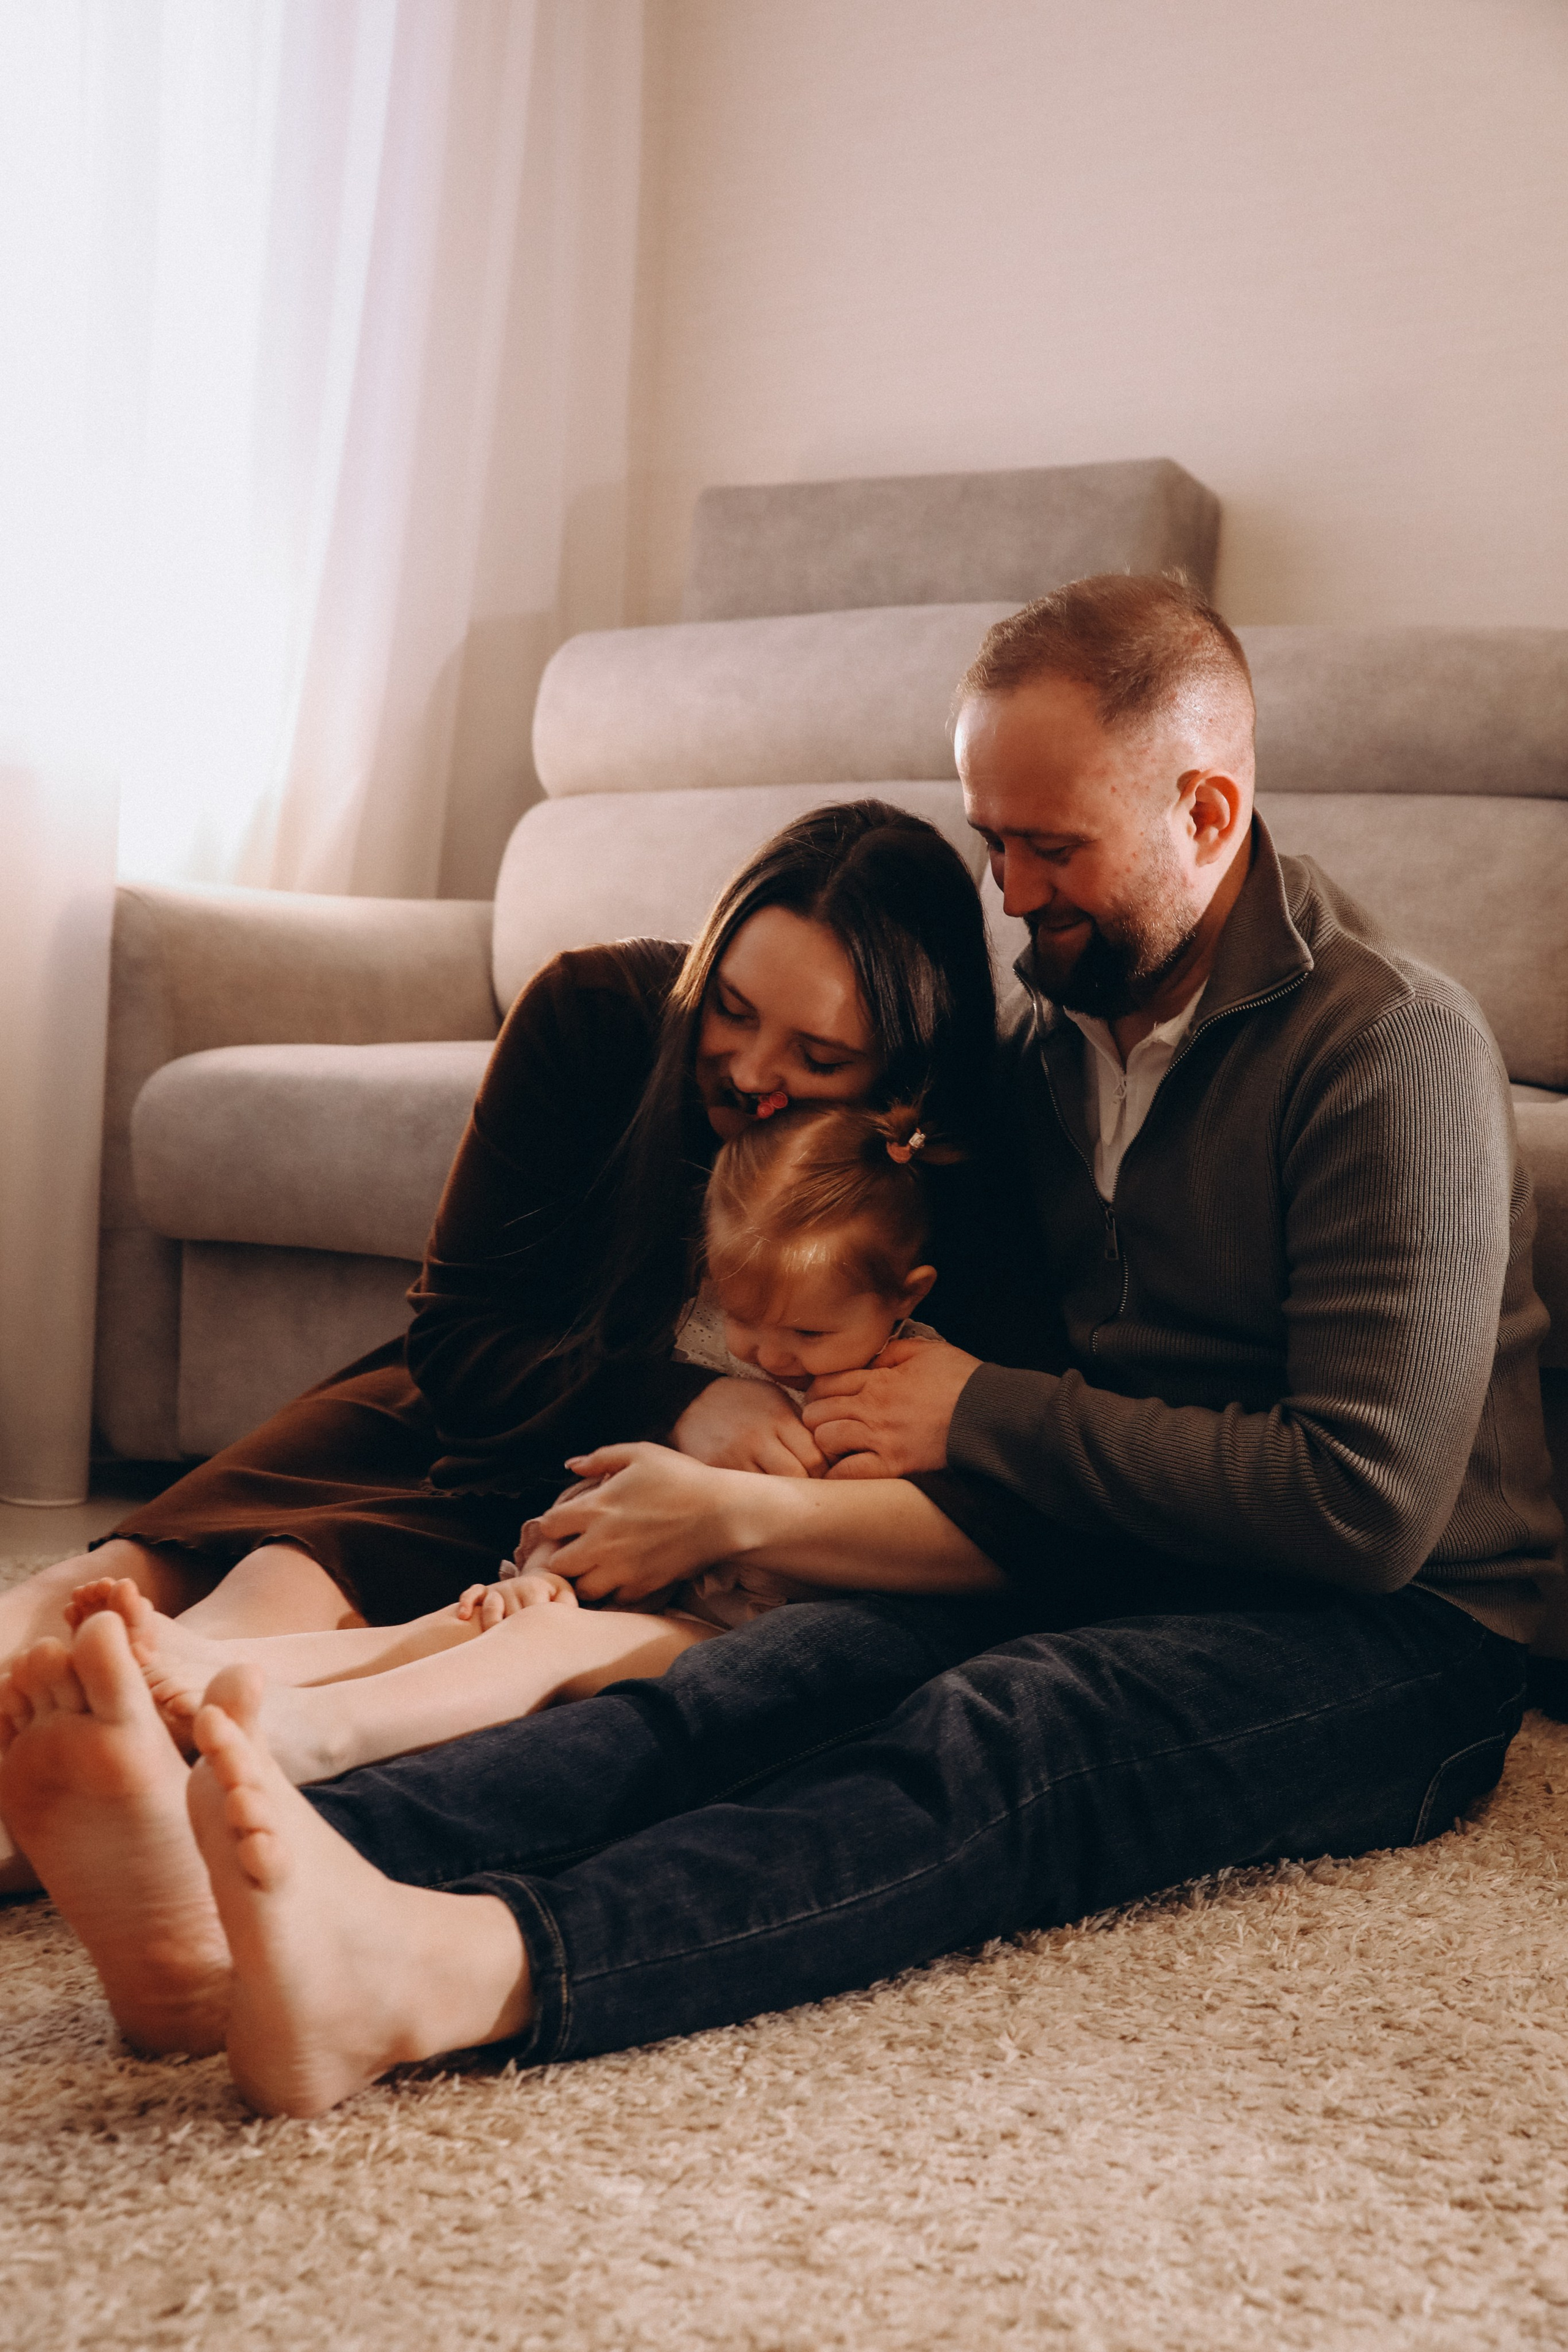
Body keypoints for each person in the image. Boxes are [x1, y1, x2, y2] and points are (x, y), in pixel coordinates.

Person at [2, 571, 1558, 2122]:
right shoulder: (1036, 1051)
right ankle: (270, 1867)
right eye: (989, 839)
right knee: (777, 1671)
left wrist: (982, 1414)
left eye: (1051, 847)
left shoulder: (1384, 1048)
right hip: (1132, 1545)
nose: (1010, 892)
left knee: (998, 1736)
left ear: (1206, 812)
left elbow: (1361, 1507)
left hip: (1403, 1631)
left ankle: (455, 1967)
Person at [0, 797, 1023, 1885]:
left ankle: (78, 1813)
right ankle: (66, 1685)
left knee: (278, 1601)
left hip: (596, 1509)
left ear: (904, 1079)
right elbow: (461, 1337)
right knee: (121, 1580)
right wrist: (682, 1403)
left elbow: (983, 1479)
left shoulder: (947, 1167)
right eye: (730, 1008)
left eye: (817, 1056)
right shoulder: (596, 1013)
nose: (749, 1071)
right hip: (499, 1391)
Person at [64, 1102, 989, 1784]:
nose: (768, 1354)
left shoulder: (899, 1404)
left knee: (527, 1652)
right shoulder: (719, 1360)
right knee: (465, 1622)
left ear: (907, 1296)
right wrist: (543, 1560)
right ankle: (231, 1669)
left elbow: (877, 1564)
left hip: (754, 1638)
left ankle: (306, 1734)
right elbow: (609, 1489)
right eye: (741, 1317)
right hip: (647, 1598)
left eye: (806, 1337)